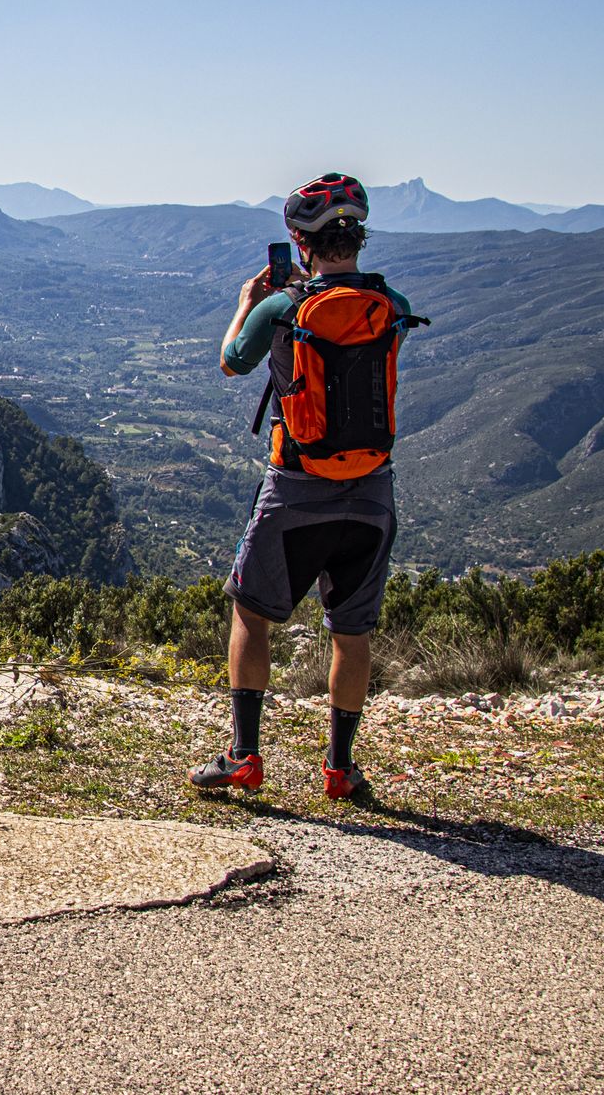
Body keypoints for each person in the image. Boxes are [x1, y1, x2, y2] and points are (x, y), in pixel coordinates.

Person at [191, 172, 424, 802]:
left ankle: (243, 756)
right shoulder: (393, 303)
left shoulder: (282, 306)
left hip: (296, 486)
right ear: (359, 238)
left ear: (300, 241)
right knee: (352, 632)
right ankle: (341, 770)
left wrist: (250, 299)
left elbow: (233, 360)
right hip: (373, 489)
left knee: (251, 612)